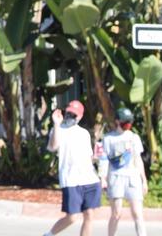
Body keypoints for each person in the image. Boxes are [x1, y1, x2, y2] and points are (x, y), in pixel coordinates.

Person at [44, 100, 103, 236]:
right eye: (69, 113)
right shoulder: (58, 130)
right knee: (72, 217)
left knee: (89, 214)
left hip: (89, 179)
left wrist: (100, 165)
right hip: (71, 180)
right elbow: (53, 147)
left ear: (80, 117)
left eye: (74, 115)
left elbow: (89, 157)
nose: (70, 116)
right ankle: (49, 234)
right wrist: (56, 123)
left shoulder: (84, 133)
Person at [99, 107, 149, 236]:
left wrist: (144, 180)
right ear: (117, 121)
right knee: (116, 213)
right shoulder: (108, 138)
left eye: (129, 121)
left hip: (133, 178)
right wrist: (103, 178)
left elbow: (138, 160)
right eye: (125, 121)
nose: (128, 124)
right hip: (116, 178)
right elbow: (104, 160)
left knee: (137, 213)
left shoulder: (134, 137)